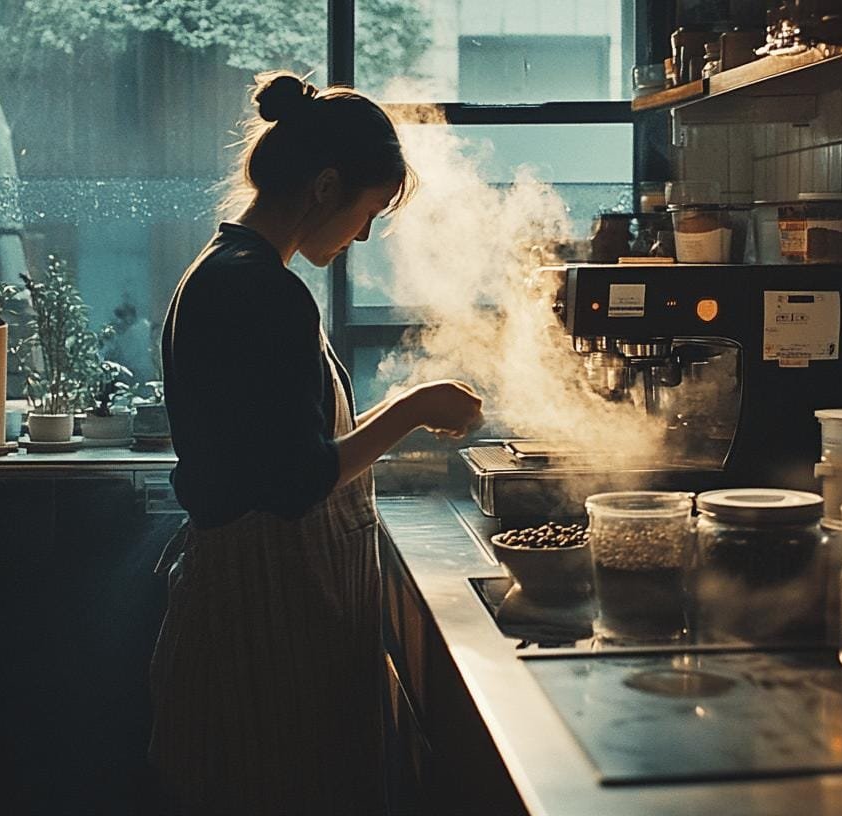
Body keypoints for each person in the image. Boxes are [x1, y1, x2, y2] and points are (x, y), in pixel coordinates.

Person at [149, 71, 484, 815]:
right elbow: (298, 478)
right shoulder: (259, 289)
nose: (364, 235)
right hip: (267, 612)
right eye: (368, 213)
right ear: (326, 187)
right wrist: (413, 407)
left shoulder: (227, 270)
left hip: (258, 597)